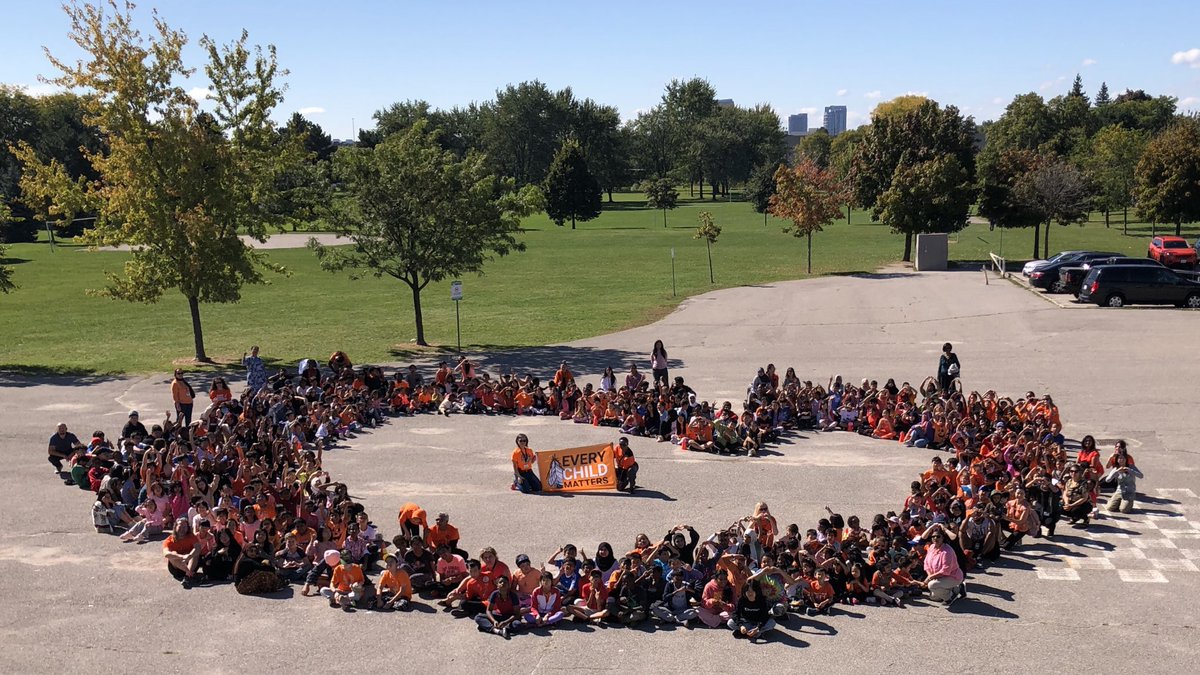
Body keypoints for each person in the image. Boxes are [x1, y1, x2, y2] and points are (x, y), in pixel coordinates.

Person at [921, 524, 965, 605]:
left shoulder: (947, 551)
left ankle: (950, 597)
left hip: (952, 576)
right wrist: (931, 527)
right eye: (933, 536)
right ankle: (957, 589)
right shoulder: (931, 547)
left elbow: (945, 570)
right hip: (939, 577)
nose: (935, 538)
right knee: (933, 597)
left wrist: (930, 578)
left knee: (932, 585)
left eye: (938, 536)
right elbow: (926, 564)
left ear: (943, 538)